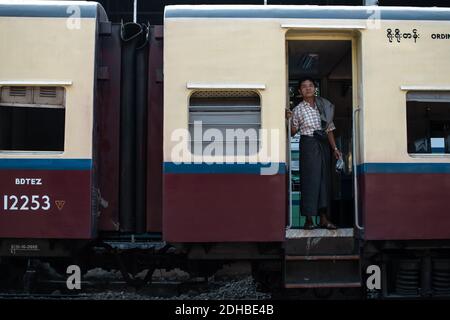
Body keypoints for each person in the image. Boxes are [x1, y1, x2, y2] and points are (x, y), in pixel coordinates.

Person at [286, 77, 342, 230]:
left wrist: (335, 149)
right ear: (299, 91)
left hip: (323, 144)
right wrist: (288, 120)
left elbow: (329, 129)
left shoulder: (323, 106)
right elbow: (292, 133)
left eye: (310, 86)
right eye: (304, 86)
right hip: (308, 144)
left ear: (315, 88)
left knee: (324, 181)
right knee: (309, 181)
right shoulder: (298, 109)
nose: (308, 88)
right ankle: (309, 220)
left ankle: (324, 218)